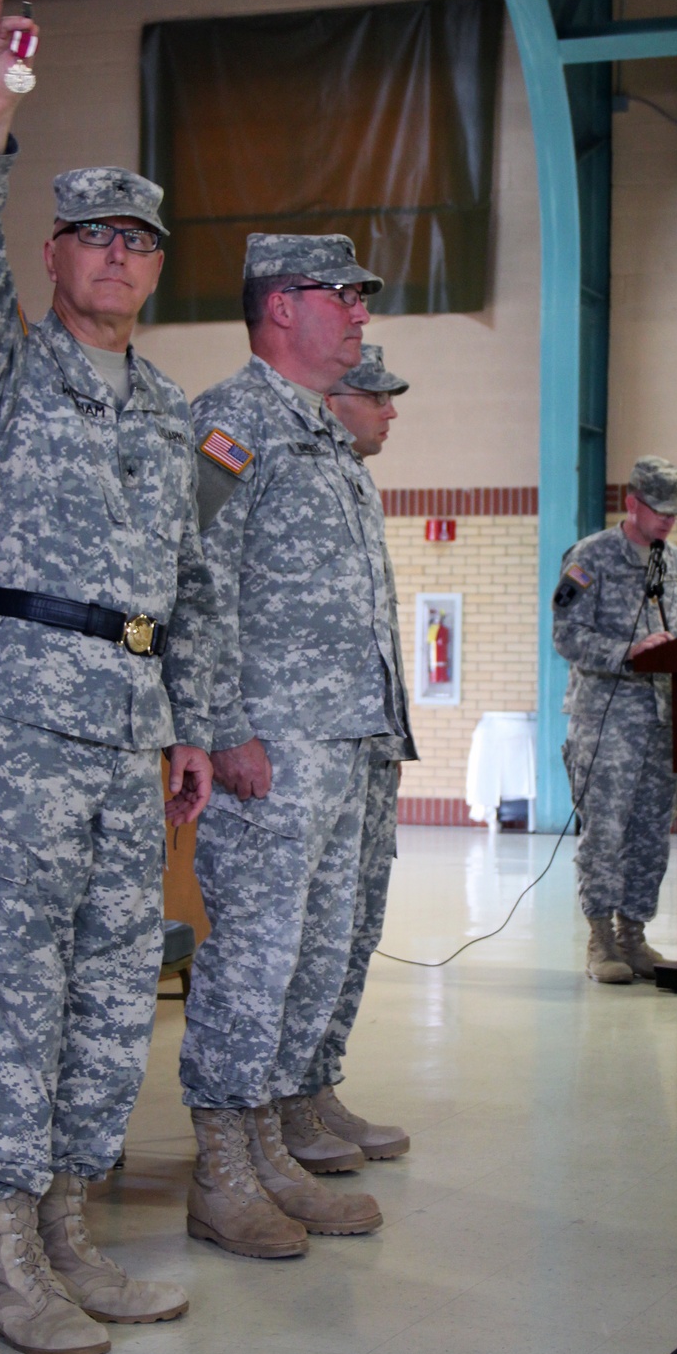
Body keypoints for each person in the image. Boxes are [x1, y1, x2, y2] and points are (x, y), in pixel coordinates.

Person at [0, 0, 217, 1354]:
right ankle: (7, 1259)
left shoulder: (168, 410)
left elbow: (186, 588)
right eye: (91, 237)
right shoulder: (5, 370)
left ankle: (78, 1234)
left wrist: (189, 727)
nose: (114, 257)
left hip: (127, 734)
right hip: (17, 728)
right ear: (56, 255)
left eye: (135, 242)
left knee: (108, 993)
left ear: (156, 268)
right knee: (2, 994)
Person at [180, 236, 410, 1259]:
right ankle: (223, 1168)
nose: (360, 313)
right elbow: (192, 577)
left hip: (343, 740)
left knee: (314, 955)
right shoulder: (232, 424)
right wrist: (221, 726)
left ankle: (273, 1140)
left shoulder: (323, 438)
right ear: (281, 308)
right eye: (343, 295)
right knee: (257, 960)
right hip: (269, 747)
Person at [280, 343, 417, 1169]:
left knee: (351, 930)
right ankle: (278, 1105)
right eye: (380, 397)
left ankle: (315, 1084)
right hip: (300, 739)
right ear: (338, 400)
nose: (391, 412)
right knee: (302, 935)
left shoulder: (353, 481)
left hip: (365, 739)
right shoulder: (257, 443)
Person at [552, 456, 677, 984]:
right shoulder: (589, 559)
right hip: (607, 721)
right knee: (607, 830)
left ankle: (634, 936)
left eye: (675, 513)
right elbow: (566, 636)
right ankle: (600, 941)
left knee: (649, 831)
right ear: (633, 502)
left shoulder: (675, 564)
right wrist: (631, 650)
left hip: (663, 720)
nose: (668, 521)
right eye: (660, 510)